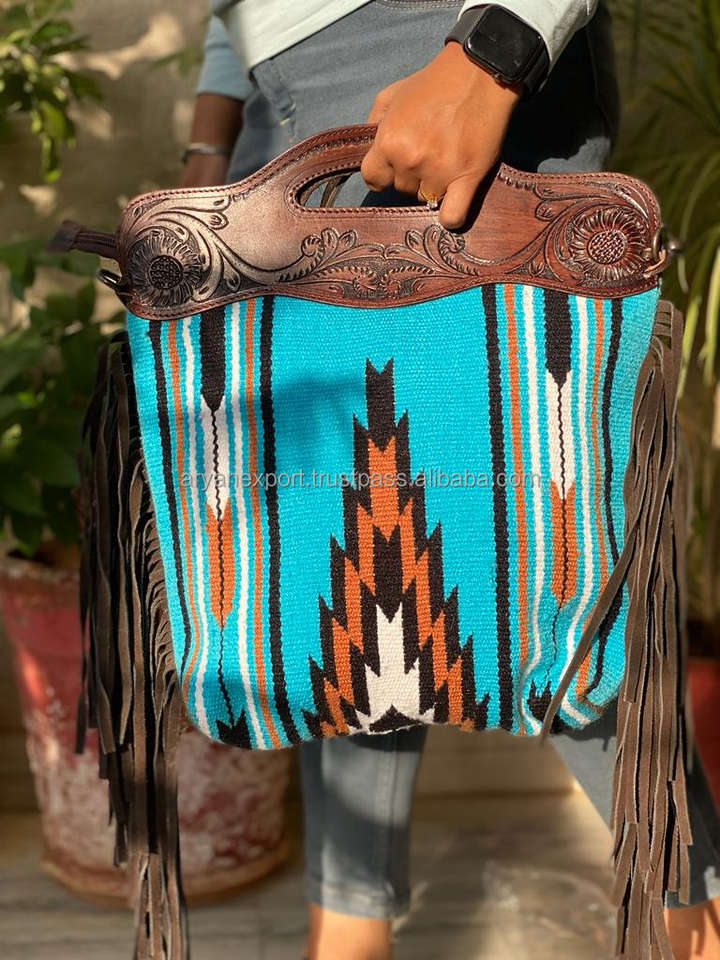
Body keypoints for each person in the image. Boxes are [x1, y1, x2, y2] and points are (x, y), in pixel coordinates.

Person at [181, 4, 720, 958]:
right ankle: (348, 930)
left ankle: (696, 920)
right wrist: (208, 145)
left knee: (551, 574)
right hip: (284, 99)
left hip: (424, 44)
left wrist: (494, 50)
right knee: (347, 561)